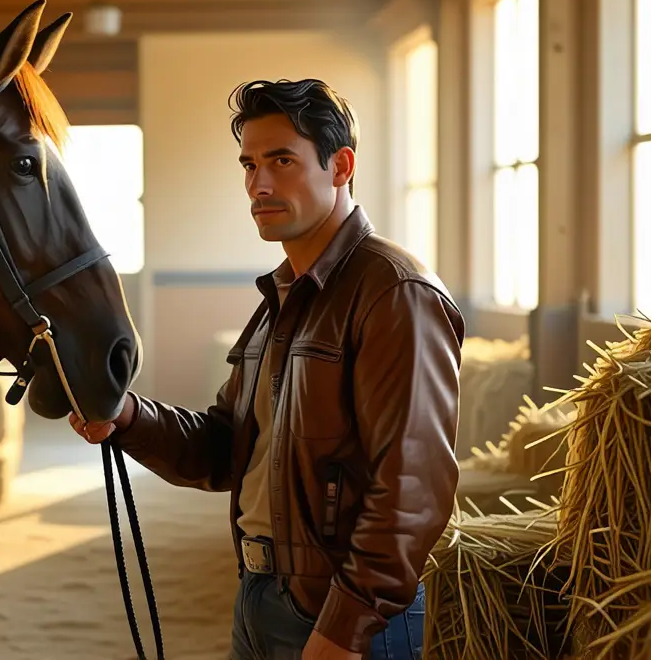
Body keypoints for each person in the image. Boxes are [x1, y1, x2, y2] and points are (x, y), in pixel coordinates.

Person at [68, 78, 465, 660]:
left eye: (282, 161)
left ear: (340, 166)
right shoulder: (282, 296)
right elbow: (223, 448)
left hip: (341, 615)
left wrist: (345, 628)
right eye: (249, 165)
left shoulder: (394, 291)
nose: (259, 184)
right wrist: (126, 416)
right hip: (260, 597)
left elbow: (412, 487)